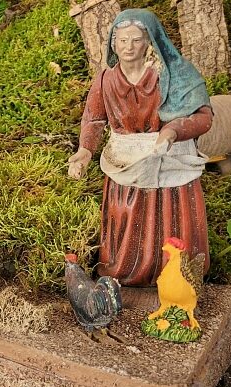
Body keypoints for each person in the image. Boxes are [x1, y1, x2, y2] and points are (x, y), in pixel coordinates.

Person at [67, 9, 213, 287]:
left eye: (136, 40)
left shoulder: (174, 76)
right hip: (126, 165)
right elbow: (94, 118)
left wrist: (172, 131)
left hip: (170, 164)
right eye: (122, 40)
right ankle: (125, 272)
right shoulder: (106, 80)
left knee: (172, 218)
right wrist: (85, 151)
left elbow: (203, 117)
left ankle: (177, 277)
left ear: (149, 41)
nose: (129, 47)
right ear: (113, 43)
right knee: (128, 218)